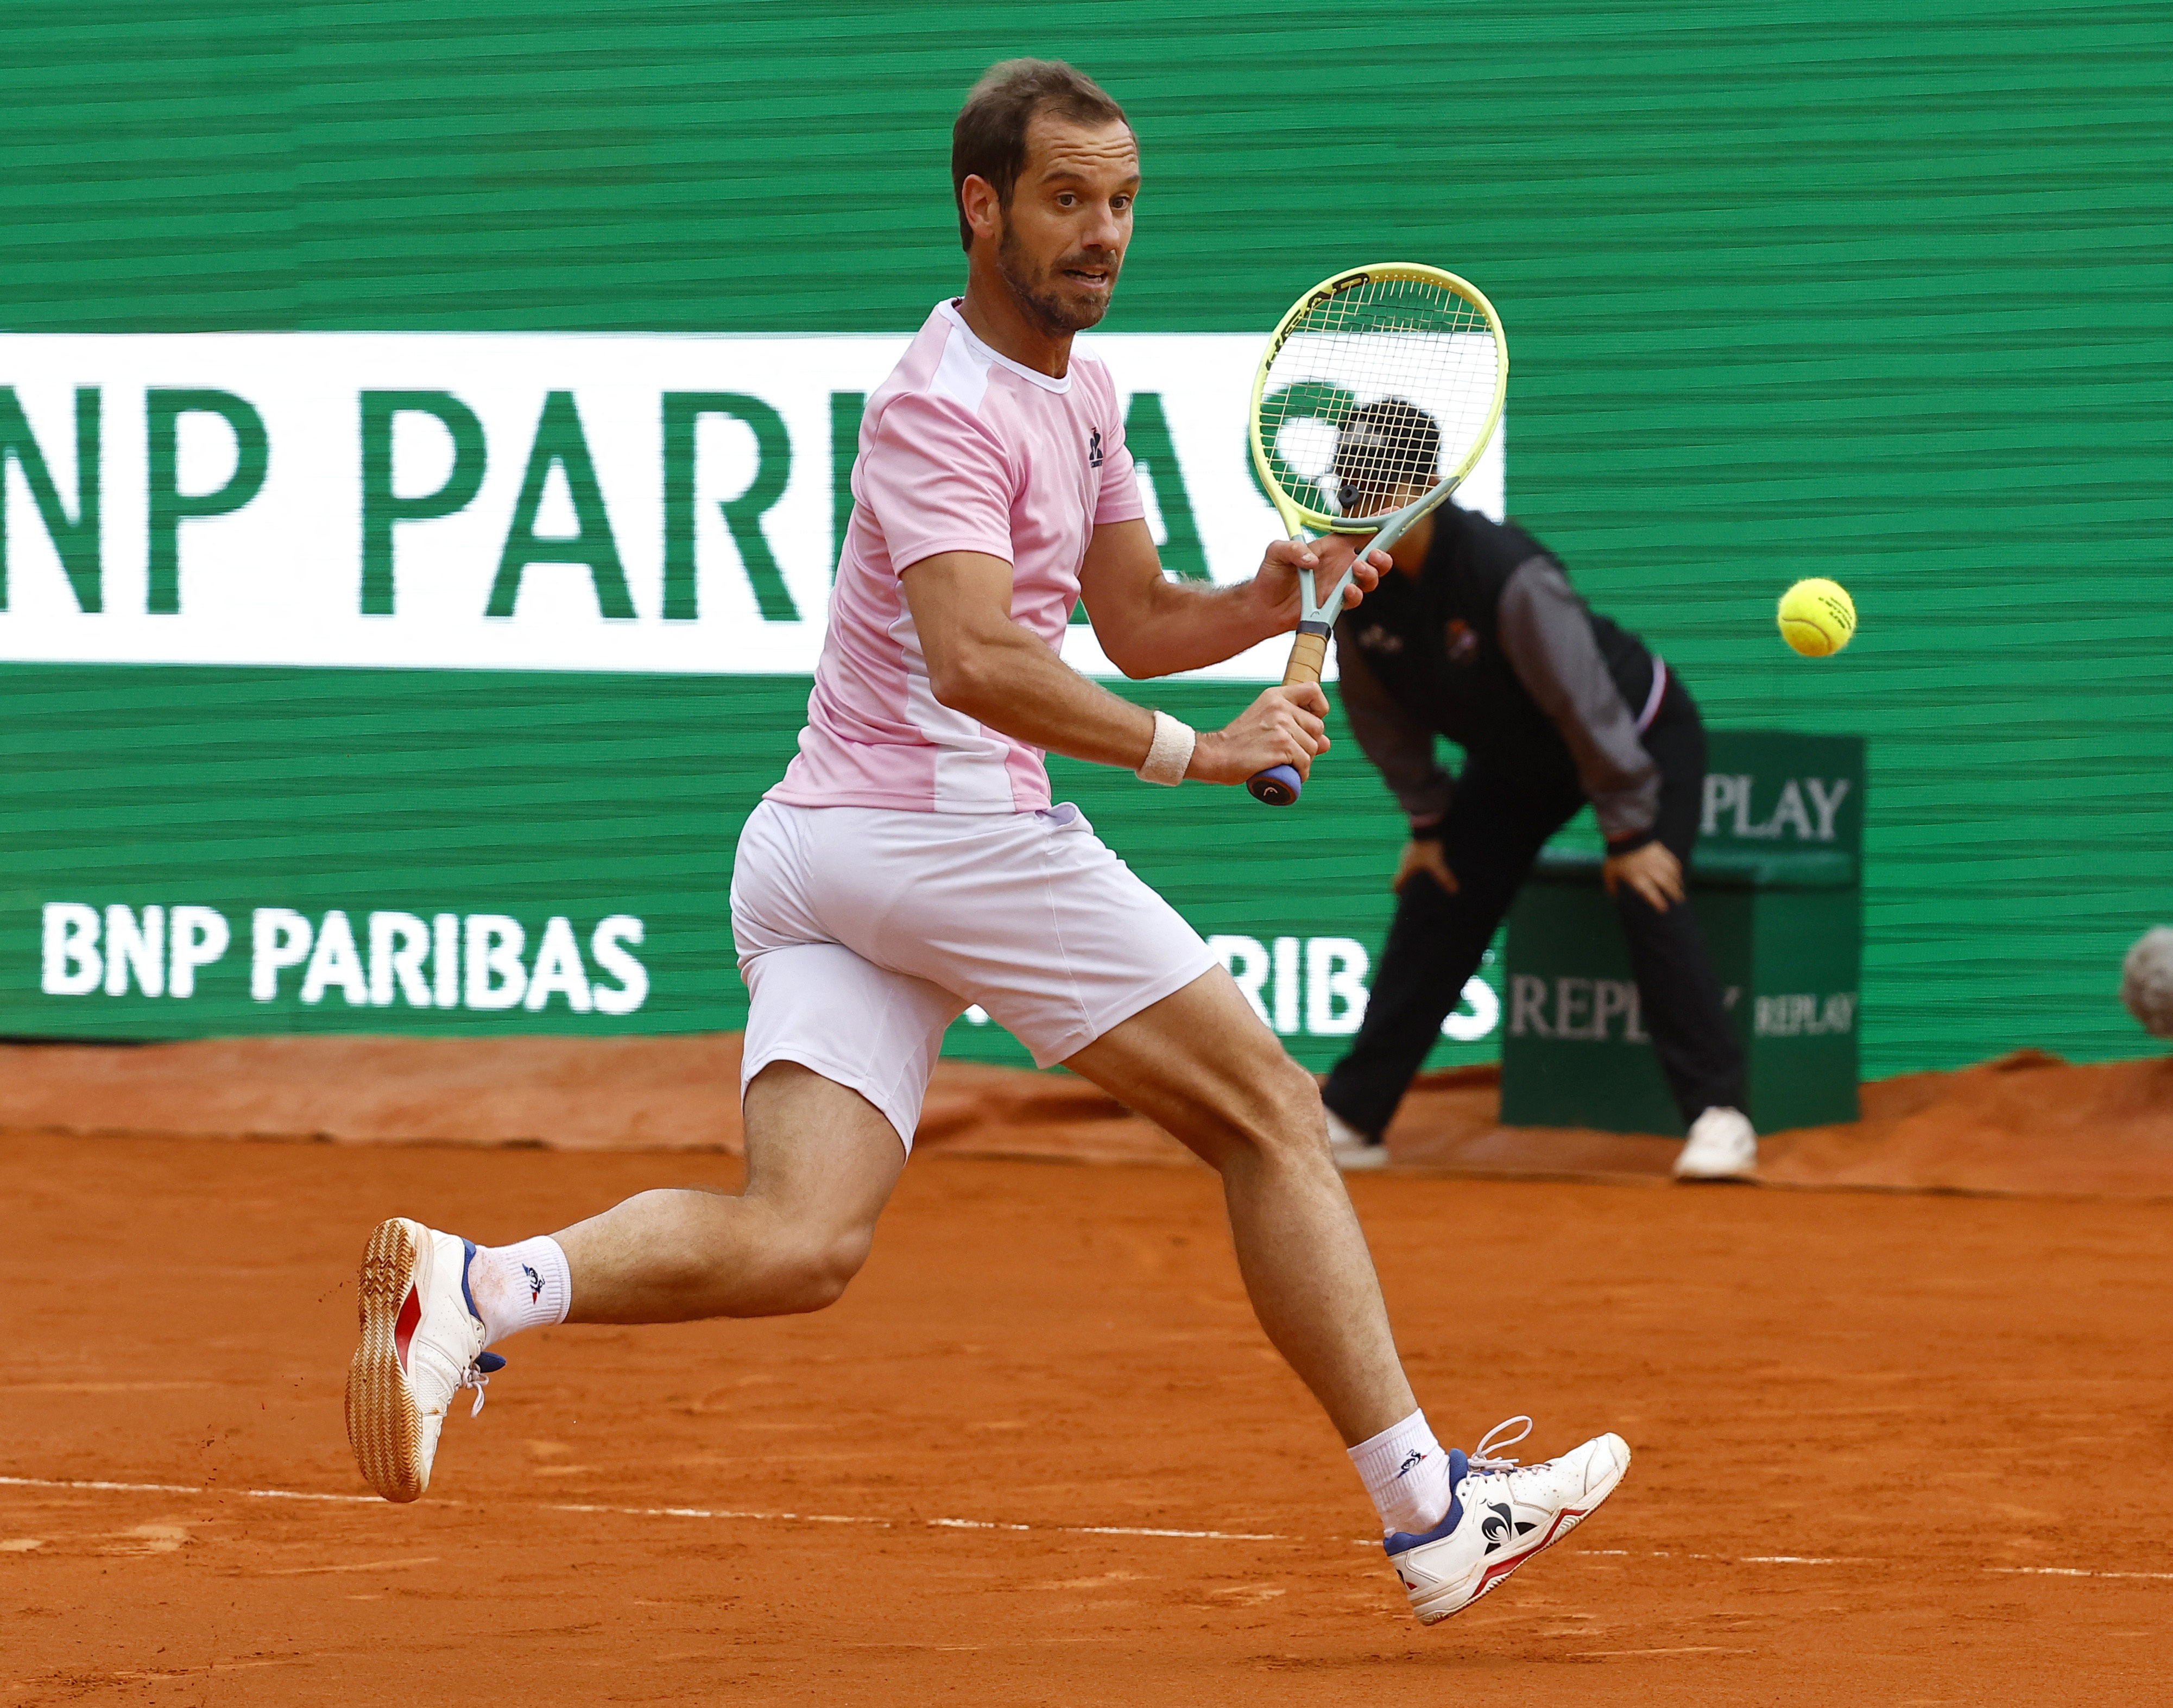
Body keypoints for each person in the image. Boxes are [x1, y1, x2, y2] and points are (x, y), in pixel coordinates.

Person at [344, 60, 1627, 1625]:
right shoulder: (934, 409)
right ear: (981, 205)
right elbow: (974, 662)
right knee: (1272, 1116)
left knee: (800, 1239)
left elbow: (1141, 621)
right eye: (1066, 200)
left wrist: (1275, 592)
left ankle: (475, 1288)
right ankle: (1431, 1516)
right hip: (940, 835)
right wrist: (1198, 756)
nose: (1102, 234)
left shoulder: (1083, 391)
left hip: (820, 851)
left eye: (1123, 202)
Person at [1317, 400, 1758, 1181]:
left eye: (1377, 487)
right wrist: (1427, 818)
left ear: (1427, 488)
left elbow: (1586, 705)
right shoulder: (1356, 587)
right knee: (1441, 885)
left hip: (1635, 731)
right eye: (1350, 489)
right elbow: (1379, 718)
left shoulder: (1507, 576)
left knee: (1647, 887)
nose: (1359, 508)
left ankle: (1719, 1116)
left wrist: (1628, 832)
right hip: (1521, 758)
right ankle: (1354, 1114)